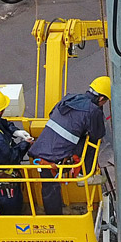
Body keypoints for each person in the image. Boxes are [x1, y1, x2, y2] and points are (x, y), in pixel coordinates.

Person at [28, 76, 110, 214]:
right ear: (101, 99)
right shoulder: (93, 110)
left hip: (42, 146)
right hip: (53, 156)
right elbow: (97, 133)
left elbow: (51, 113)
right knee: (51, 188)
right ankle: (56, 220)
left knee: (49, 186)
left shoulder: (70, 98)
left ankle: (54, 215)